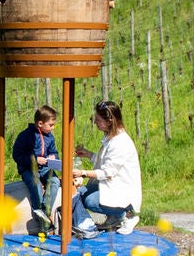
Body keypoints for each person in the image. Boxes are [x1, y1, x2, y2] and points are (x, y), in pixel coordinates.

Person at [71, 100, 142, 236]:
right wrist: (89, 154)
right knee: (79, 193)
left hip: (122, 189)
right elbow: (106, 160)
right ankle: (113, 218)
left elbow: (108, 172)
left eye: (98, 119)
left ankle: (126, 213)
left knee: (90, 201)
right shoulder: (112, 137)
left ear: (109, 121)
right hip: (111, 184)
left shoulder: (120, 142)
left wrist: (83, 173)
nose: (95, 122)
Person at [9, 105, 60, 229]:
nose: (53, 128)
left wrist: (53, 157)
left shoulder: (50, 137)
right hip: (29, 167)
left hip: (46, 168)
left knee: (55, 181)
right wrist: (35, 160)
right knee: (36, 183)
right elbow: (17, 155)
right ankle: (38, 212)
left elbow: (54, 151)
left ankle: (45, 212)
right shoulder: (25, 136)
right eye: (51, 125)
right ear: (40, 123)